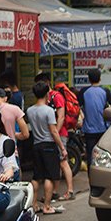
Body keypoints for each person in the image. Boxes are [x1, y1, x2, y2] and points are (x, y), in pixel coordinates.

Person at [26, 82, 67, 215]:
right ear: (46, 94)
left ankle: (34, 204)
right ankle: (47, 206)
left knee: (37, 176)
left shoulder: (29, 110)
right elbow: (54, 131)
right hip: (49, 145)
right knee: (49, 176)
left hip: (36, 145)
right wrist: (62, 147)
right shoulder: (48, 110)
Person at [34, 72, 75, 200]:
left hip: (59, 134)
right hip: (51, 135)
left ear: (46, 83)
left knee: (63, 162)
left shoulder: (56, 96)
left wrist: (54, 133)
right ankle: (54, 192)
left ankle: (70, 191)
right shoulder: (45, 97)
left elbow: (61, 116)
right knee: (55, 163)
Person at [78, 68, 111, 170]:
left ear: (89, 79)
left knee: (90, 155)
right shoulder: (105, 91)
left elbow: (77, 106)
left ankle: (91, 177)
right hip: (103, 129)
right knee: (103, 155)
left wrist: (82, 115)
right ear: (100, 78)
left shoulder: (84, 92)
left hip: (88, 130)